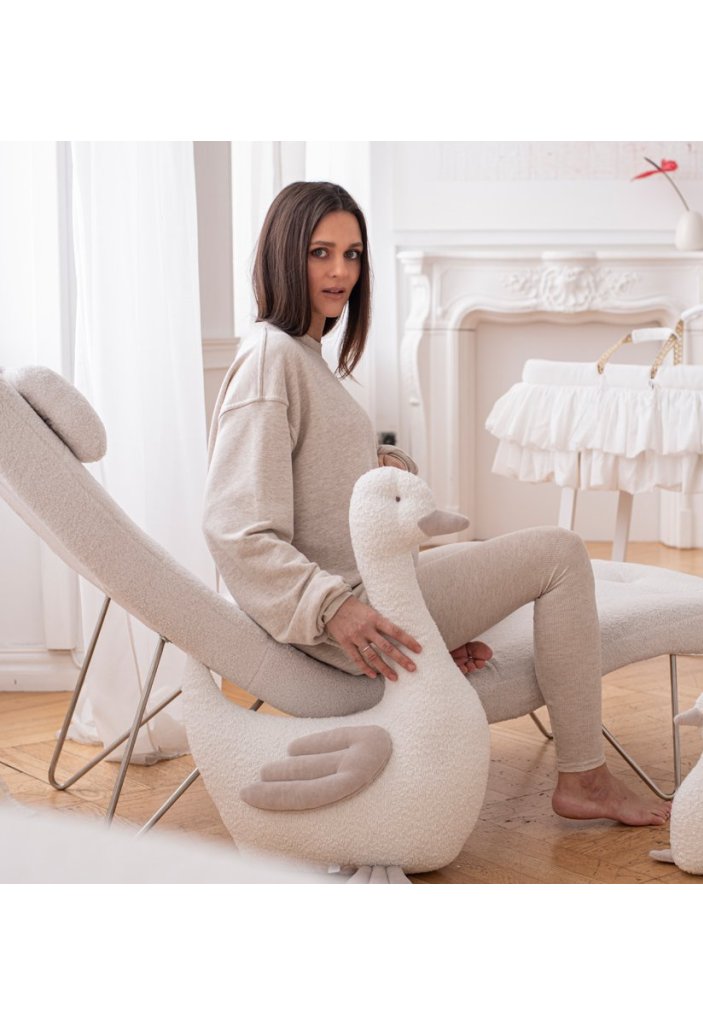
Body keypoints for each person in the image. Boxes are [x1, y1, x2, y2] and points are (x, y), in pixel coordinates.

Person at [204, 181, 670, 827]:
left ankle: (577, 768)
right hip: (348, 614)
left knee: (510, 553)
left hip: (374, 592)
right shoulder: (270, 362)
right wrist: (334, 609)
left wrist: (379, 464)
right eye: (320, 252)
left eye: (352, 254)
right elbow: (235, 527)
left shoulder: (301, 357)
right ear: (283, 255)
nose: (340, 272)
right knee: (559, 554)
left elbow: (313, 484)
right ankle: (585, 779)